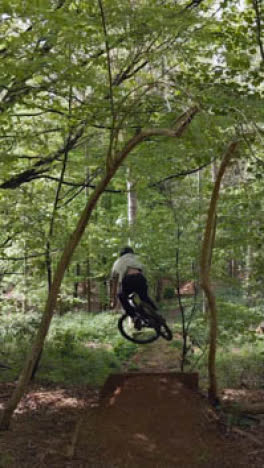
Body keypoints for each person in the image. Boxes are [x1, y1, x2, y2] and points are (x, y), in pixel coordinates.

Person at [110, 246, 157, 316]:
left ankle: (134, 316)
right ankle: (156, 312)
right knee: (144, 297)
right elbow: (143, 271)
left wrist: (114, 298)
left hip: (128, 279)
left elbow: (114, 281)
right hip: (140, 278)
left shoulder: (118, 261)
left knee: (121, 296)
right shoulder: (136, 258)